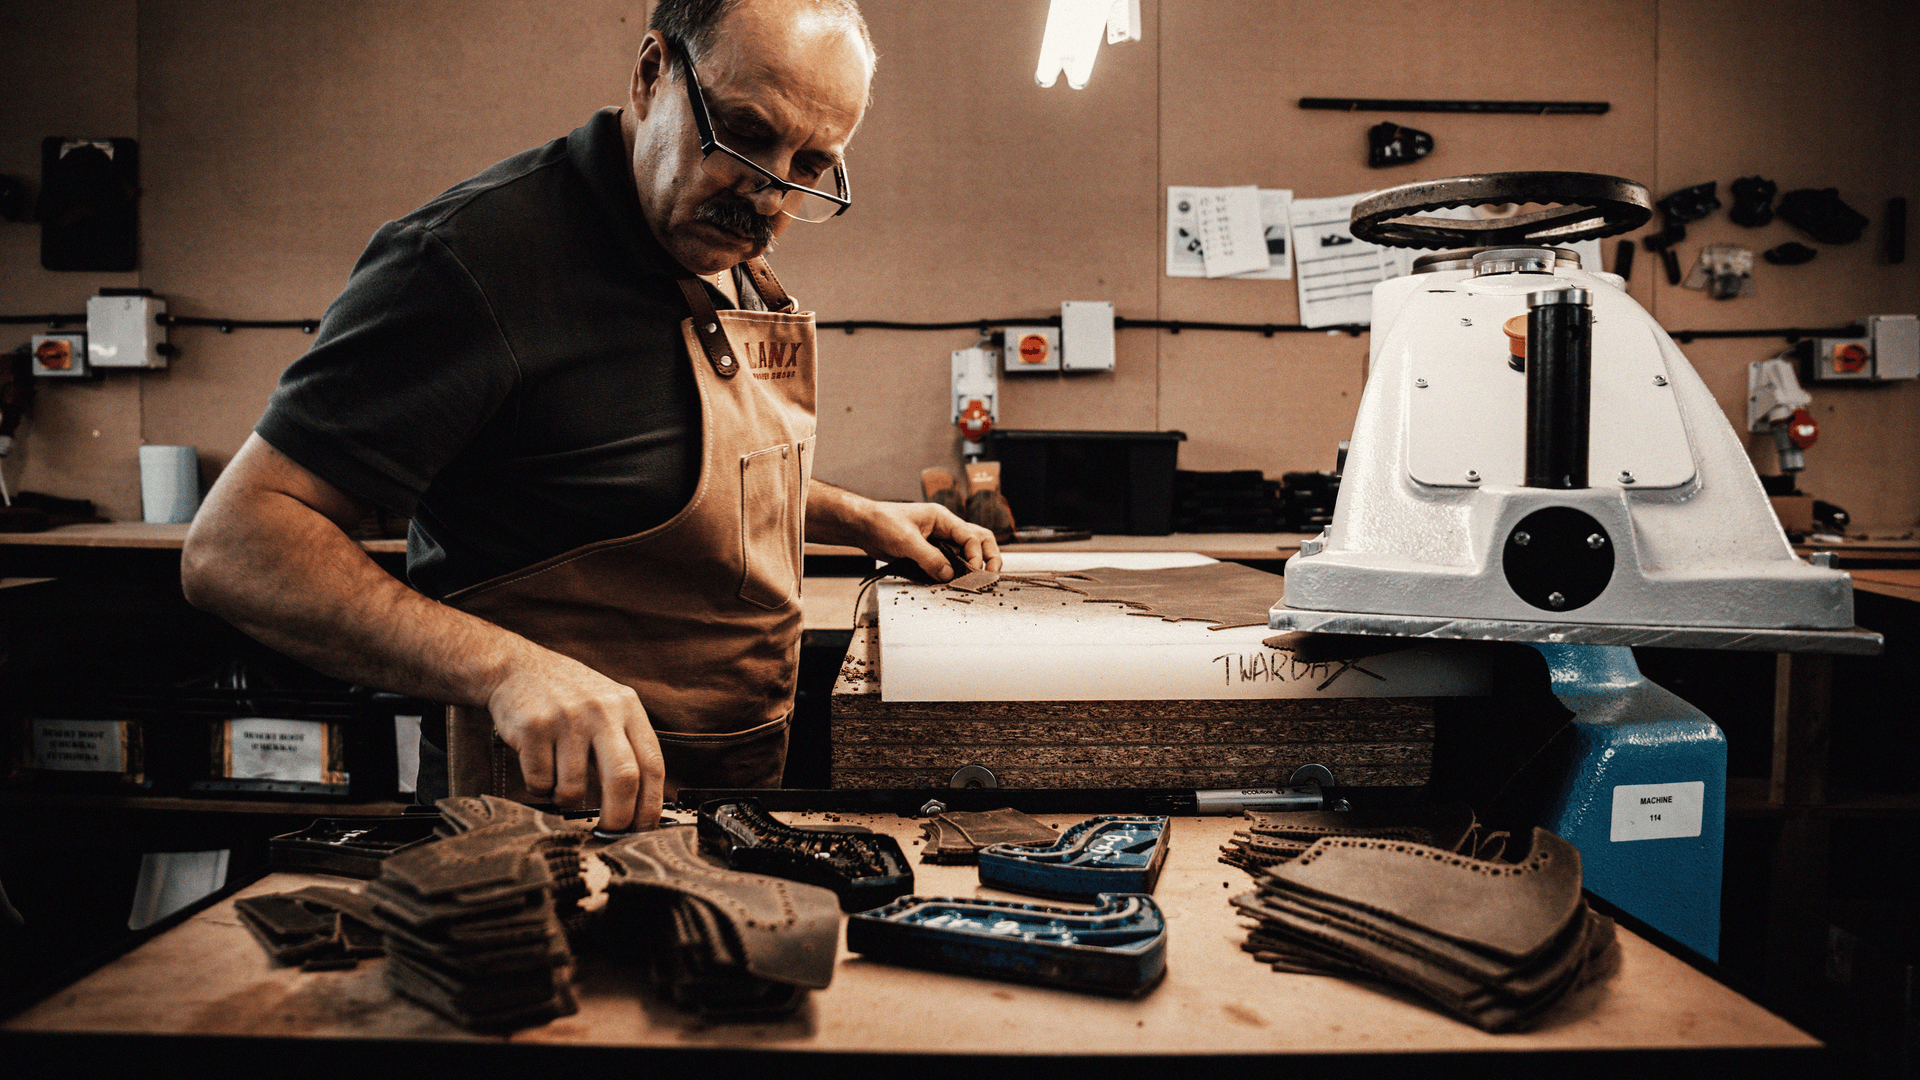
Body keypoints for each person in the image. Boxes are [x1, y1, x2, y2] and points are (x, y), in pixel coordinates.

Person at [181, 0, 998, 832]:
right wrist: (507, 670)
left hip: (727, 796)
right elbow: (238, 544)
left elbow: (648, 471)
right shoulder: (469, 261)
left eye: (812, 166)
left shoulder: (714, 240)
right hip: (536, 817)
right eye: (747, 135)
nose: (771, 195)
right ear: (652, 74)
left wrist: (858, 517)